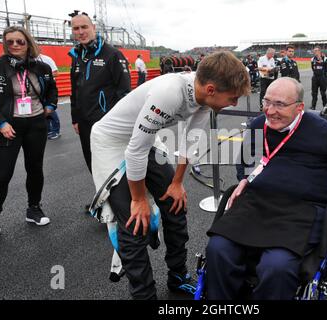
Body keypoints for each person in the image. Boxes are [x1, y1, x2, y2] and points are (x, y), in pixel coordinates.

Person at [90, 51, 250, 299]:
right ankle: (144, 294)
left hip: (143, 141)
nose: (235, 103)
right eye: (233, 98)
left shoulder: (203, 96)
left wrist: (177, 183)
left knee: (176, 204)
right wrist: (139, 199)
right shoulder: (169, 93)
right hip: (111, 143)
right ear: (211, 89)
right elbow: (135, 152)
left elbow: (191, 142)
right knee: (135, 222)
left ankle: (177, 275)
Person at [205, 77, 327, 300]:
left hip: (302, 211)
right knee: (218, 249)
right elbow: (244, 161)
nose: (270, 111)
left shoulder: (322, 131)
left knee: (276, 266)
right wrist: (246, 178)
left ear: (299, 107)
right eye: (266, 102)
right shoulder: (257, 126)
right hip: (257, 204)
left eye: (280, 105)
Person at [0, 26, 58, 248]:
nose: (15, 45)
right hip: (7, 126)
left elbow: (52, 90)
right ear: (5, 44)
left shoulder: (41, 67)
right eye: (10, 42)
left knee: (35, 168)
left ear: (28, 43)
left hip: (36, 124)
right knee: (2, 175)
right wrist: (0, 122)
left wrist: (50, 106)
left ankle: (33, 208)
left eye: (19, 41)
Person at [68, 12, 131, 176]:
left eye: (84, 27)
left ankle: (120, 200)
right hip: (84, 122)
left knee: (111, 162)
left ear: (93, 28)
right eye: (76, 28)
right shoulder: (76, 55)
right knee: (92, 162)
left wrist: (119, 121)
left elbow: (124, 92)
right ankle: (103, 199)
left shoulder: (112, 54)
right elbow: (74, 90)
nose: (80, 32)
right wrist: (75, 118)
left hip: (106, 120)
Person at [37, 53, 61, 140]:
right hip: (38, 90)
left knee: (50, 110)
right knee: (42, 110)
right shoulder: (28, 59)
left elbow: (56, 73)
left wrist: (44, 75)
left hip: (48, 88)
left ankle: (56, 131)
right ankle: (48, 130)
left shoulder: (46, 59)